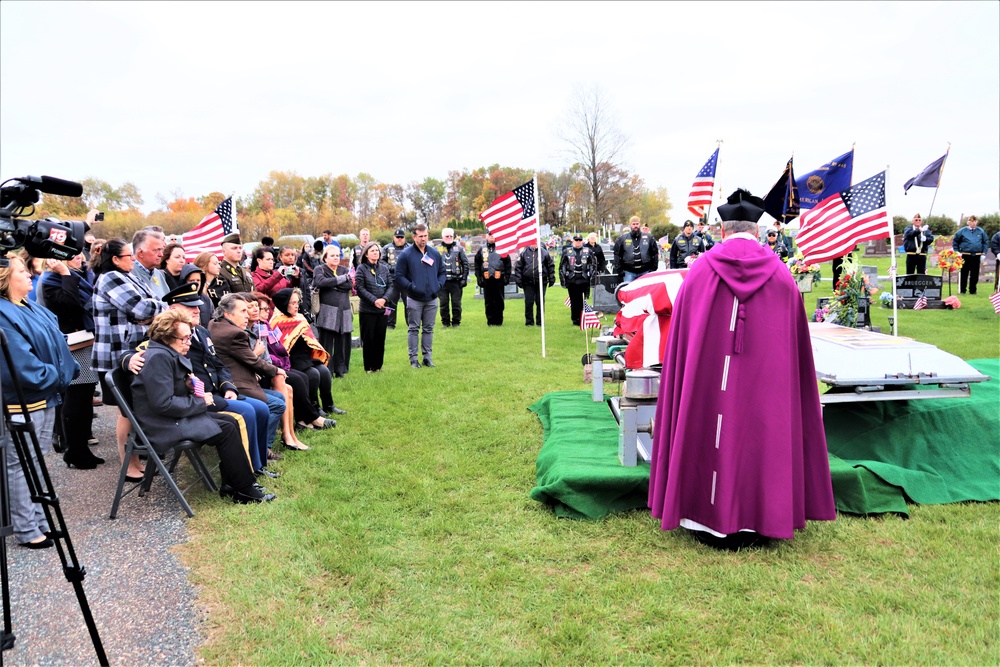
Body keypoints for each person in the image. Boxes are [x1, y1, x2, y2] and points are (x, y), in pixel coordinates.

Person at [648, 188, 836, 550]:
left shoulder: (700, 271)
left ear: (722, 230)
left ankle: (705, 520)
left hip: (708, 384)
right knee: (763, 433)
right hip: (767, 384)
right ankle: (762, 520)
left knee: (708, 427)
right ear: (756, 230)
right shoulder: (781, 276)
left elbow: (684, 338)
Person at [131, 310, 274, 504]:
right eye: (184, 339)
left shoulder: (166, 352)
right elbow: (163, 404)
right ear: (166, 337)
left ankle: (233, 483)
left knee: (230, 422)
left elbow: (168, 393)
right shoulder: (158, 358)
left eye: (189, 337)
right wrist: (200, 401)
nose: (188, 343)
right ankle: (244, 489)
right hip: (163, 424)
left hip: (173, 418)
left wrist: (188, 386)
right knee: (226, 428)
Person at [0, 256, 80, 548]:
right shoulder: (2, 313)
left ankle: (40, 519)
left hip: (47, 395)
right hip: (24, 401)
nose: (30, 274)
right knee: (20, 465)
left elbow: (58, 344)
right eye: (22, 271)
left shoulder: (28, 304)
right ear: (6, 278)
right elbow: (21, 368)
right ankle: (26, 528)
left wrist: (67, 368)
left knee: (37, 461)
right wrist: (61, 373)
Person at [92, 238, 167, 480]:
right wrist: (152, 312)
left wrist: (152, 310)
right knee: (127, 412)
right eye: (129, 256)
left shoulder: (127, 275)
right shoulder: (110, 278)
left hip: (134, 350)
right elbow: (141, 310)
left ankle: (136, 461)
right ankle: (129, 465)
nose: (133, 259)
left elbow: (151, 302)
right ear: (115, 259)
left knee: (135, 409)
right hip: (117, 355)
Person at [40, 253, 104, 469]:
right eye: (73, 254)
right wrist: (65, 274)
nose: (80, 257)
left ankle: (82, 447)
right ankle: (74, 450)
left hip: (85, 341)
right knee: (75, 397)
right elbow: (70, 304)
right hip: (71, 345)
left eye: (80, 252)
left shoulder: (83, 275)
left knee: (85, 396)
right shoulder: (50, 280)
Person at [208, 294, 291, 455]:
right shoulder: (234, 333)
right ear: (228, 314)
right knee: (277, 404)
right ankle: (261, 448)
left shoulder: (215, 324)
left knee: (280, 397)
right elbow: (253, 360)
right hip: (236, 385)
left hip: (235, 380)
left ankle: (266, 445)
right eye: (243, 311)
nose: (247, 315)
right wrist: (276, 370)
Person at [250, 292, 331, 443]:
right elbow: (264, 355)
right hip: (268, 370)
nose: (267, 312)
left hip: (286, 362)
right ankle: (309, 418)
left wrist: (283, 361)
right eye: (263, 309)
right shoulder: (261, 326)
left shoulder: (266, 324)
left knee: (321, 372)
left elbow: (277, 348)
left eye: (267, 309)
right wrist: (282, 363)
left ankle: (317, 411)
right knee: (302, 378)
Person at [270, 288, 341, 415]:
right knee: (314, 374)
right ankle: (314, 406)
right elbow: (280, 348)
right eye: (293, 303)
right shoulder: (277, 321)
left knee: (324, 371)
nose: (297, 306)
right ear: (284, 303)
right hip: (290, 360)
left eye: (298, 302)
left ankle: (328, 404)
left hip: (305, 357)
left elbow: (310, 338)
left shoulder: (300, 317)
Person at [395, 223, 445, 368]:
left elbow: (442, 272)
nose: (423, 239)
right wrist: (412, 287)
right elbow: (399, 276)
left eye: (425, 236)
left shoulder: (434, 253)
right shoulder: (406, 255)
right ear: (414, 237)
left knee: (429, 328)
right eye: (420, 236)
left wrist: (438, 285)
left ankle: (427, 357)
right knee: (414, 329)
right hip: (414, 299)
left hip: (432, 298)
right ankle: (413, 359)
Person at [311, 244, 354, 377]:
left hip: (344, 310)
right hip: (327, 311)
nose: (336, 258)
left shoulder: (344, 269)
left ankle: (340, 370)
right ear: (325, 258)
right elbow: (320, 282)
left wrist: (333, 284)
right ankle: (326, 370)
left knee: (342, 343)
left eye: (337, 255)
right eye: (332, 255)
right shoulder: (320, 269)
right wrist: (341, 280)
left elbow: (349, 285)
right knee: (327, 342)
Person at [354, 242, 397, 372]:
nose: (375, 253)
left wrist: (384, 299)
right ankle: (369, 367)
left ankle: (378, 366)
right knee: (369, 339)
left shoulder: (384, 268)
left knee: (380, 338)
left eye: (377, 251)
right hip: (368, 310)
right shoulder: (361, 268)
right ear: (366, 254)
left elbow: (390, 285)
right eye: (372, 251)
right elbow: (359, 288)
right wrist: (374, 301)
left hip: (382, 309)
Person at [475, 233, 511, 326]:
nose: (491, 236)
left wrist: (507, 277)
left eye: (493, 235)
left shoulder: (502, 248)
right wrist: (479, 278)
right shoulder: (482, 249)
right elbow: (477, 264)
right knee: (489, 301)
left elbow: (508, 263)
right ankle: (490, 321)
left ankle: (499, 321)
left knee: (499, 300)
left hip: (499, 279)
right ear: (486, 236)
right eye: (489, 234)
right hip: (487, 279)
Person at [560, 234, 596, 326]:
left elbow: (593, 265)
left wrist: (591, 278)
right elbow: (562, 266)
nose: (578, 242)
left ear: (582, 241)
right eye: (576, 240)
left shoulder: (588, 251)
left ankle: (581, 318)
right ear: (573, 241)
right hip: (572, 279)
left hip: (584, 279)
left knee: (582, 300)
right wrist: (563, 280)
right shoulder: (567, 251)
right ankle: (574, 318)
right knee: (573, 300)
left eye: (580, 240)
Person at [515, 243, 555, 326]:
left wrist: (551, 278)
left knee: (540, 301)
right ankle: (529, 322)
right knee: (529, 302)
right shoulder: (524, 253)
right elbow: (519, 267)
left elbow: (550, 266)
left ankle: (540, 321)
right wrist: (519, 279)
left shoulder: (544, 253)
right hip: (528, 282)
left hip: (541, 281)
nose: (534, 244)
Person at [438, 227, 469, 328]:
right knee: (443, 304)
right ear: (442, 237)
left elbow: (465, 263)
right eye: (447, 236)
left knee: (456, 303)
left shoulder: (459, 248)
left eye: (451, 236)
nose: (449, 238)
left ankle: (456, 322)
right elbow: (431, 265)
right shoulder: (437, 249)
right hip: (442, 282)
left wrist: (464, 278)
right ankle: (445, 322)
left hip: (456, 281)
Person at [614, 216, 659, 284]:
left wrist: (654, 268)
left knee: (645, 292)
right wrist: (619, 270)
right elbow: (617, 254)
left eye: (637, 224)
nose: (635, 226)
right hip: (629, 271)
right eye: (633, 224)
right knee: (629, 292)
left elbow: (655, 253)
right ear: (630, 225)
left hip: (645, 271)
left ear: (639, 224)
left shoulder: (649, 238)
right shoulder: (622, 239)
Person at [952, 215, 989, 295]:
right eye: (971, 221)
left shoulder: (981, 231)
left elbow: (985, 242)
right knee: (964, 273)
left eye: (974, 221)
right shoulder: (962, 231)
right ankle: (962, 290)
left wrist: (984, 253)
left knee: (975, 274)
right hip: (965, 255)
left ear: (976, 222)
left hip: (977, 255)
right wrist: (957, 251)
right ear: (968, 222)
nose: (973, 223)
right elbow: (955, 241)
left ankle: (973, 290)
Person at [382, 228, 410, 329]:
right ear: (393, 237)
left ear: (404, 238)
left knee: (409, 303)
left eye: (401, 237)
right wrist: (391, 268)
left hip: (406, 280)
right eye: (397, 237)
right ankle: (389, 324)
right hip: (392, 280)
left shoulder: (410, 248)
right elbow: (381, 261)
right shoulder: (386, 248)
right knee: (390, 302)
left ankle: (411, 323)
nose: (399, 239)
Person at [130, 228, 169, 298]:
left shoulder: (159, 274)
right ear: (140, 253)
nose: (161, 255)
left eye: (161, 250)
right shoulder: (128, 275)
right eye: (156, 250)